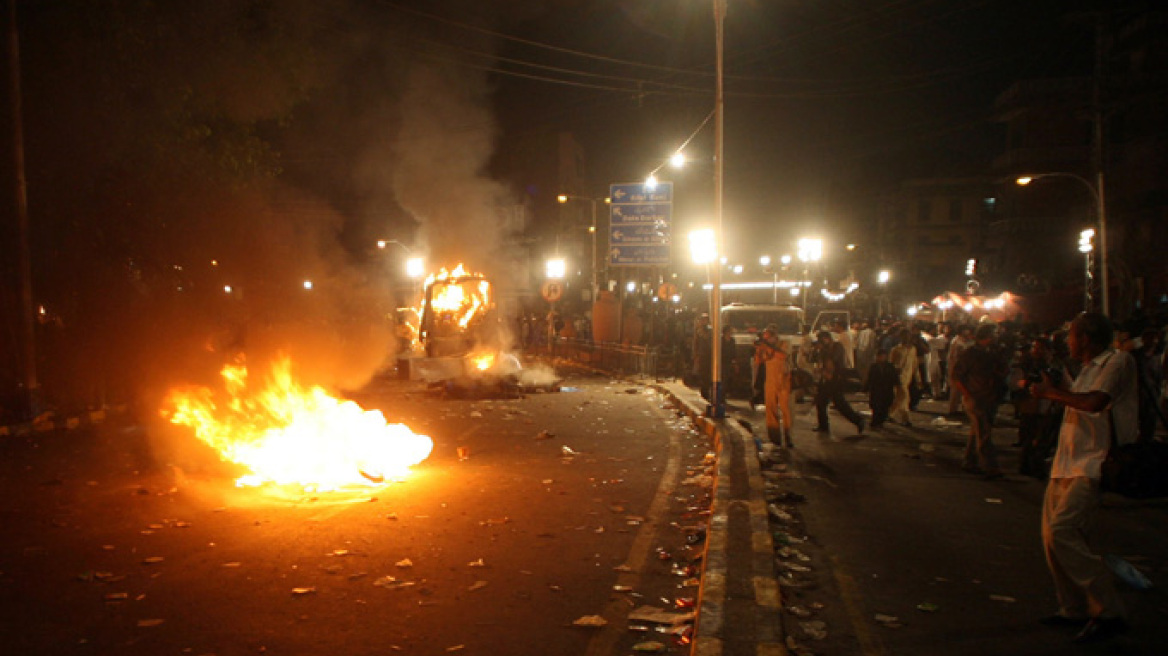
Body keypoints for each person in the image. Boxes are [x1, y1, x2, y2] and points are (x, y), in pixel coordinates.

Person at [1029, 312, 1135, 644]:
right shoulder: (1088, 369)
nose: (1068, 342)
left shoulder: (1118, 362)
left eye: (1072, 336)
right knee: (1051, 538)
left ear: (1087, 338)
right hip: (1065, 461)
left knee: (1064, 533)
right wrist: (1055, 386)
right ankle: (1073, 607)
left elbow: (1093, 403)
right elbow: (1075, 402)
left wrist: (1050, 394)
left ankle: (1109, 611)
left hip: (1093, 463)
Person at [951, 323, 1007, 480]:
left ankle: (970, 461)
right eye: (994, 334)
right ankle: (990, 466)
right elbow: (956, 376)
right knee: (984, 433)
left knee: (977, 430)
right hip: (976, 398)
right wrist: (968, 394)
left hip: (989, 397)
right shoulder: (970, 354)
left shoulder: (991, 353)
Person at [812, 331, 865, 434]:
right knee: (821, 402)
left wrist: (823, 350)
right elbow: (817, 360)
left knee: (840, 404)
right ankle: (823, 426)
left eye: (822, 340)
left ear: (827, 338)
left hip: (836, 379)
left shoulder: (837, 346)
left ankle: (858, 420)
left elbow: (834, 358)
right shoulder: (824, 349)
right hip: (826, 379)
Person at [758, 326, 793, 447]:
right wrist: (759, 349)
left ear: (774, 337)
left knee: (786, 410)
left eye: (769, 338)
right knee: (770, 409)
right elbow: (759, 361)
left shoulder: (784, 343)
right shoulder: (765, 347)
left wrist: (767, 347)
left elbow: (782, 355)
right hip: (770, 381)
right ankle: (774, 437)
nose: (767, 340)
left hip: (783, 380)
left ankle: (788, 436)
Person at [889, 329, 919, 427]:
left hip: (908, 377)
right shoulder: (895, 349)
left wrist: (918, 378)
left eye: (908, 336)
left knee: (899, 398)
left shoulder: (913, 349)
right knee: (905, 396)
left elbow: (914, 364)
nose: (906, 338)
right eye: (904, 336)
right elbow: (891, 363)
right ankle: (905, 418)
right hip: (898, 377)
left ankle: (889, 414)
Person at [864, 348, 898, 429]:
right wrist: (866, 387)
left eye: (882, 356)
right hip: (876, 390)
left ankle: (880, 421)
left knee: (885, 407)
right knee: (876, 406)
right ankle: (875, 422)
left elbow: (894, 377)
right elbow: (870, 378)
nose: (880, 358)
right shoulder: (874, 367)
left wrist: (897, 384)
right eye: (879, 356)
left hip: (887, 390)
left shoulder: (890, 366)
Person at [947, 325, 975, 416]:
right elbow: (954, 356)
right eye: (966, 330)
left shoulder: (967, 341)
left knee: (964, 389)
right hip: (956, 368)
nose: (967, 332)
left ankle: (964, 409)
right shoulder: (956, 341)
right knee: (955, 390)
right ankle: (952, 410)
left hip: (964, 369)